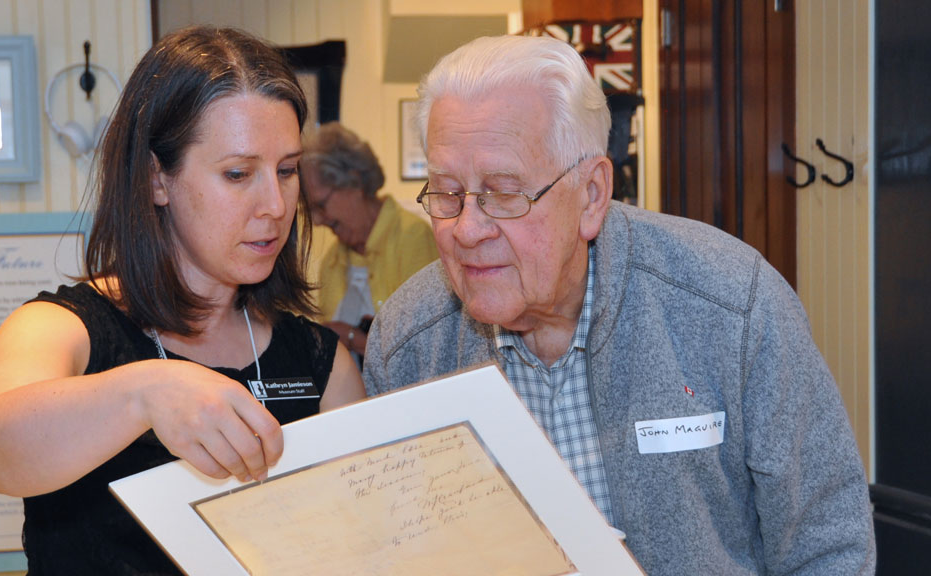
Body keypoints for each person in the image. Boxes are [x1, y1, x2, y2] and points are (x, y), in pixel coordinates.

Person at [364, 35, 875, 574]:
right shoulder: (409, 345)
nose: (466, 229)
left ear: (591, 194)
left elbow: (829, 544)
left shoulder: (730, 305)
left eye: (505, 192)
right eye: (447, 192)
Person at [0, 26, 365, 575]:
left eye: (288, 171)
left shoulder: (323, 363)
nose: (275, 204)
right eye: (238, 174)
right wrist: (146, 392)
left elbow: (362, 541)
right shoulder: (63, 330)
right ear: (158, 179)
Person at [300, 122, 439, 364]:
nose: (318, 220)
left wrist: (352, 338)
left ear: (354, 183)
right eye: (310, 211)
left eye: (320, 206)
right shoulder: (333, 259)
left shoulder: (413, 238)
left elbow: (426, 350)